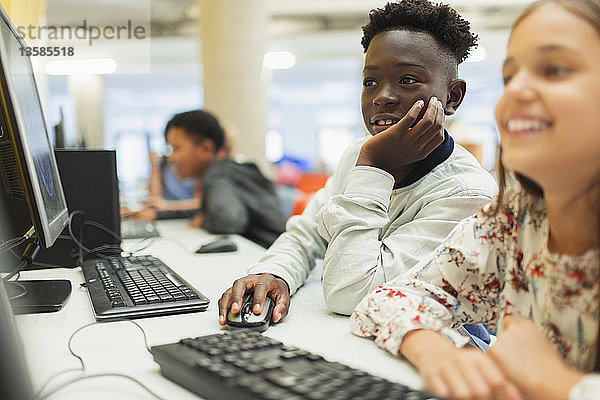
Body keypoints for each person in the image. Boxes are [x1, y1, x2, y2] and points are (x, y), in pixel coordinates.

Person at [351, 1, 600, 399]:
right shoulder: (517, 220)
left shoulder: (469, 190)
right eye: (510, 75)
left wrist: (556, 384)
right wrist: (435, 351)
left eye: (554, 69)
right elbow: (387, 297)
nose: (516, 90)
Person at [218, 0, 498, 326]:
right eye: (370, 82)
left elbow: (351, 294)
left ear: (452, 98)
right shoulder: (358, 154)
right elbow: (309, 234)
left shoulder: (468, 194)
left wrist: (374, 166)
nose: (382, 96)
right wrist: (274, 273)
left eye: (407, 80)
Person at [139, 110, 286, 248]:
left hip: (270, 258)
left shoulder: (218, 174)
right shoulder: (222, 171)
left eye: (176, 148)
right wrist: (158, 214)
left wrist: (202, 220)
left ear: (205, 148)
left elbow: (228, 221)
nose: (169, 157)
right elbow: (207, 211)